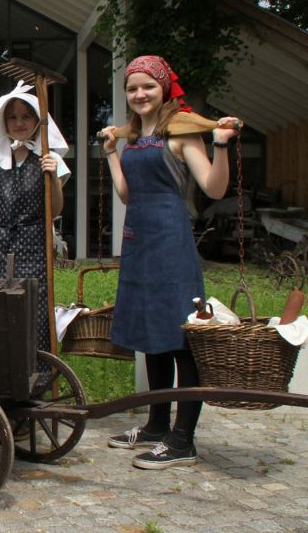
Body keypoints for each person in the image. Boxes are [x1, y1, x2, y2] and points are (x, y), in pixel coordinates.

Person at [100, 55, 240, 470]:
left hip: (170, 242)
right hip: (138, 240)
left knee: (180, 339)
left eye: (148, 86)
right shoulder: (131, 139)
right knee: (151, 334)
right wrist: (111, 153)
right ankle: (156, 425)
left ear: (164, 89)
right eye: (132, 88)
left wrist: (219, 145)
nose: (140, 94)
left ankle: (183, 441)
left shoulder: (183, 135)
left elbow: (214, 189)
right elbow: (126, 195)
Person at [0, 80, 70, 362]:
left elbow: (54, 210)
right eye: (12, 116)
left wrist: (52, 178)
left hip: (33, 247)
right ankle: (1, 381)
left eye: (26, 116)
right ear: (3, 122)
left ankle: (37, 379)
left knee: (33, 312)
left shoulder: (48, 158)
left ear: (38, 120)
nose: (19, 122)